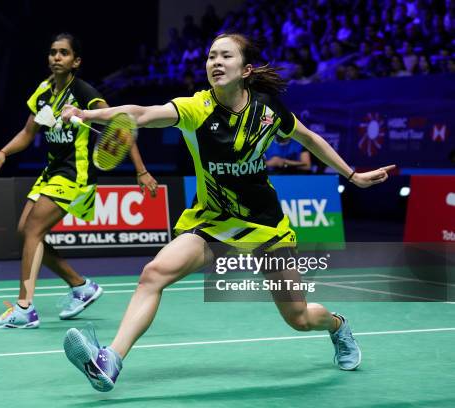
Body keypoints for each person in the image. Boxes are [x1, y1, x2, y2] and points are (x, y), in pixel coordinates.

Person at [60, 33, 395, 391]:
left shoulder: (267, 111)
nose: (215, 62)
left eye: (225, 56)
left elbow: (309, 138)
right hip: (213, 222)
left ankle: (338, 326)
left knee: (298, 318)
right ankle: (111, 360)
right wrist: (86, 113)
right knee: (153, 273)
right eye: (210, 57)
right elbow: (142, 114)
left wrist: (352, 175)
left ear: (246, 69)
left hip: (266, 228)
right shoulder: (195, 108)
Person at [0, 33, 158, 329]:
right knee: (24, 231)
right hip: (51, 171)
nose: (56, 57)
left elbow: (120, 128)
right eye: (52, 52)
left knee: (33, 230)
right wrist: (3, 152)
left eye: (63, 53)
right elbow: (28, 134)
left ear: (76, 61)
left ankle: (25, 308)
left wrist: (141, 170)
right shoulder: (43, 92)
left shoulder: (85, 92)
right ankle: (81, 287)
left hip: (75, 174)